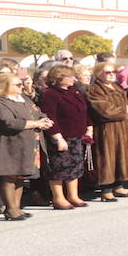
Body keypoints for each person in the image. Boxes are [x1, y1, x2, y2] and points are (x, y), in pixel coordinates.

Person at [0, 71, 53, 219]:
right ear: (5, 86)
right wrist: (35, 123)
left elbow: (38, 112)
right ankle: (10, 209)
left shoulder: (24, 99)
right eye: (17, 84)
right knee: (9, 176)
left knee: (20, 176)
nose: (22, 86)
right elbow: (8, 122)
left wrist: (44, 120)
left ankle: (16, 207)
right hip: (10, 144)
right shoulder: (1, 102)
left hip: (27, 144)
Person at [38, 64, 92, 209]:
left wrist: (89, 128)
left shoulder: (75, 91)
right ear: (59, 78)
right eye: (70, 76)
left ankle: (73, 195)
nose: (73, 79)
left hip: (77, 136)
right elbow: (50, 117)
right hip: (61, 136)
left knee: (75, 166)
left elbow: (84, 111)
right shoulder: (50, 94)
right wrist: (58, 138)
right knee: (59, 168)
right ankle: (58, 198)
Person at [86, 62, 128, 201]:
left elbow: (126, 104)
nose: (111, 74)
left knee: (122, 155)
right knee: (107, 158)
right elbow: (103, 109)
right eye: (107, 72)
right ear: (98, 74)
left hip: (123, 127)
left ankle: (118, 184)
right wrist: (124, 110)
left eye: (113, 72)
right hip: (107, 129)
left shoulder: (117, 87)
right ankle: (106, 188)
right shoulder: (95, 89)